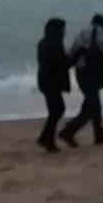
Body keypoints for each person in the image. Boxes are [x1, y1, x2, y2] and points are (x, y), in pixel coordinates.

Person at [60, 12, 103, 147]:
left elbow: (72, 51)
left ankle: (98, 135)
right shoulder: (99, 32)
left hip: (80, 72)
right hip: (92, 73)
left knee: (92, 103)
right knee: (93, 105)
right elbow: (101, 50)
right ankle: (70, 130)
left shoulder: (80, 33)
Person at [35, 17, 72, 151]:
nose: (64, 32)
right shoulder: (55, 44)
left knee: (55, 110)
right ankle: (46, 139)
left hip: (45, 80)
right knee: (58, 110)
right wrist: (77, 56)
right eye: (63, 29)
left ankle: (46, 138)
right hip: (51, 82)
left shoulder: (44, 43)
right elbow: (62, 63)